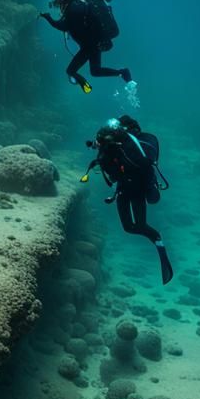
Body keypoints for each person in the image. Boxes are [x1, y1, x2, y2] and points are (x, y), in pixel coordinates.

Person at [83, 115, 173, 284]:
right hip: (123, 189)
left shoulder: (126, 147)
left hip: (138, 188)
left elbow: (136, 165)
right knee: (128, 228)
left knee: (139, 225)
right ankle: (154, 237)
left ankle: (157, 239)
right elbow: (112, 173)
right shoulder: (111, 148)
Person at [40, 0, 132, 94]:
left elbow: (63, 26)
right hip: (96, 41)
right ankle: (122, 72)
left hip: (90, 45)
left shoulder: (74, 7)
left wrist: (48, 18)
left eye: (61, 0)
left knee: (70, 70)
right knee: (95, 71)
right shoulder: (86, 2)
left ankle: (87, 88)